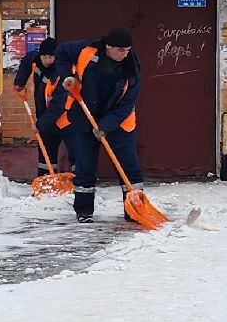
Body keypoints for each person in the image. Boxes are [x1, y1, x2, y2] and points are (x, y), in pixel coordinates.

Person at [53, 27, 144, 221]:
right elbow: (61, 52)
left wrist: (105, 126)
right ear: (108, 47)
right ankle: (84, 212)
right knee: (85, 166)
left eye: (128, 50)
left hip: (119, 122)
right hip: (84, 116)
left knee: (129, 166)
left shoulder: (132, 67)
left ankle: (135, 211)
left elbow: (128, 103)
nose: (125, 54)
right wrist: (67, 75)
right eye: (121, 50)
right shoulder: (87, 50)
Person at [11, 32, 64, 178]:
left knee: (75, 151)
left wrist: (40, 125)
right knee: (46, 150)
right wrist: (20, 82)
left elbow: (59, 105)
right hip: (44, 112)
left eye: (50, 57)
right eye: (44, 56)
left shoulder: (60, 71)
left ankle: (78, 183)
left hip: (65, 117)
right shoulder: (36, 58)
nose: (47, 60)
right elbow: (26, 62)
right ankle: (45, 180)